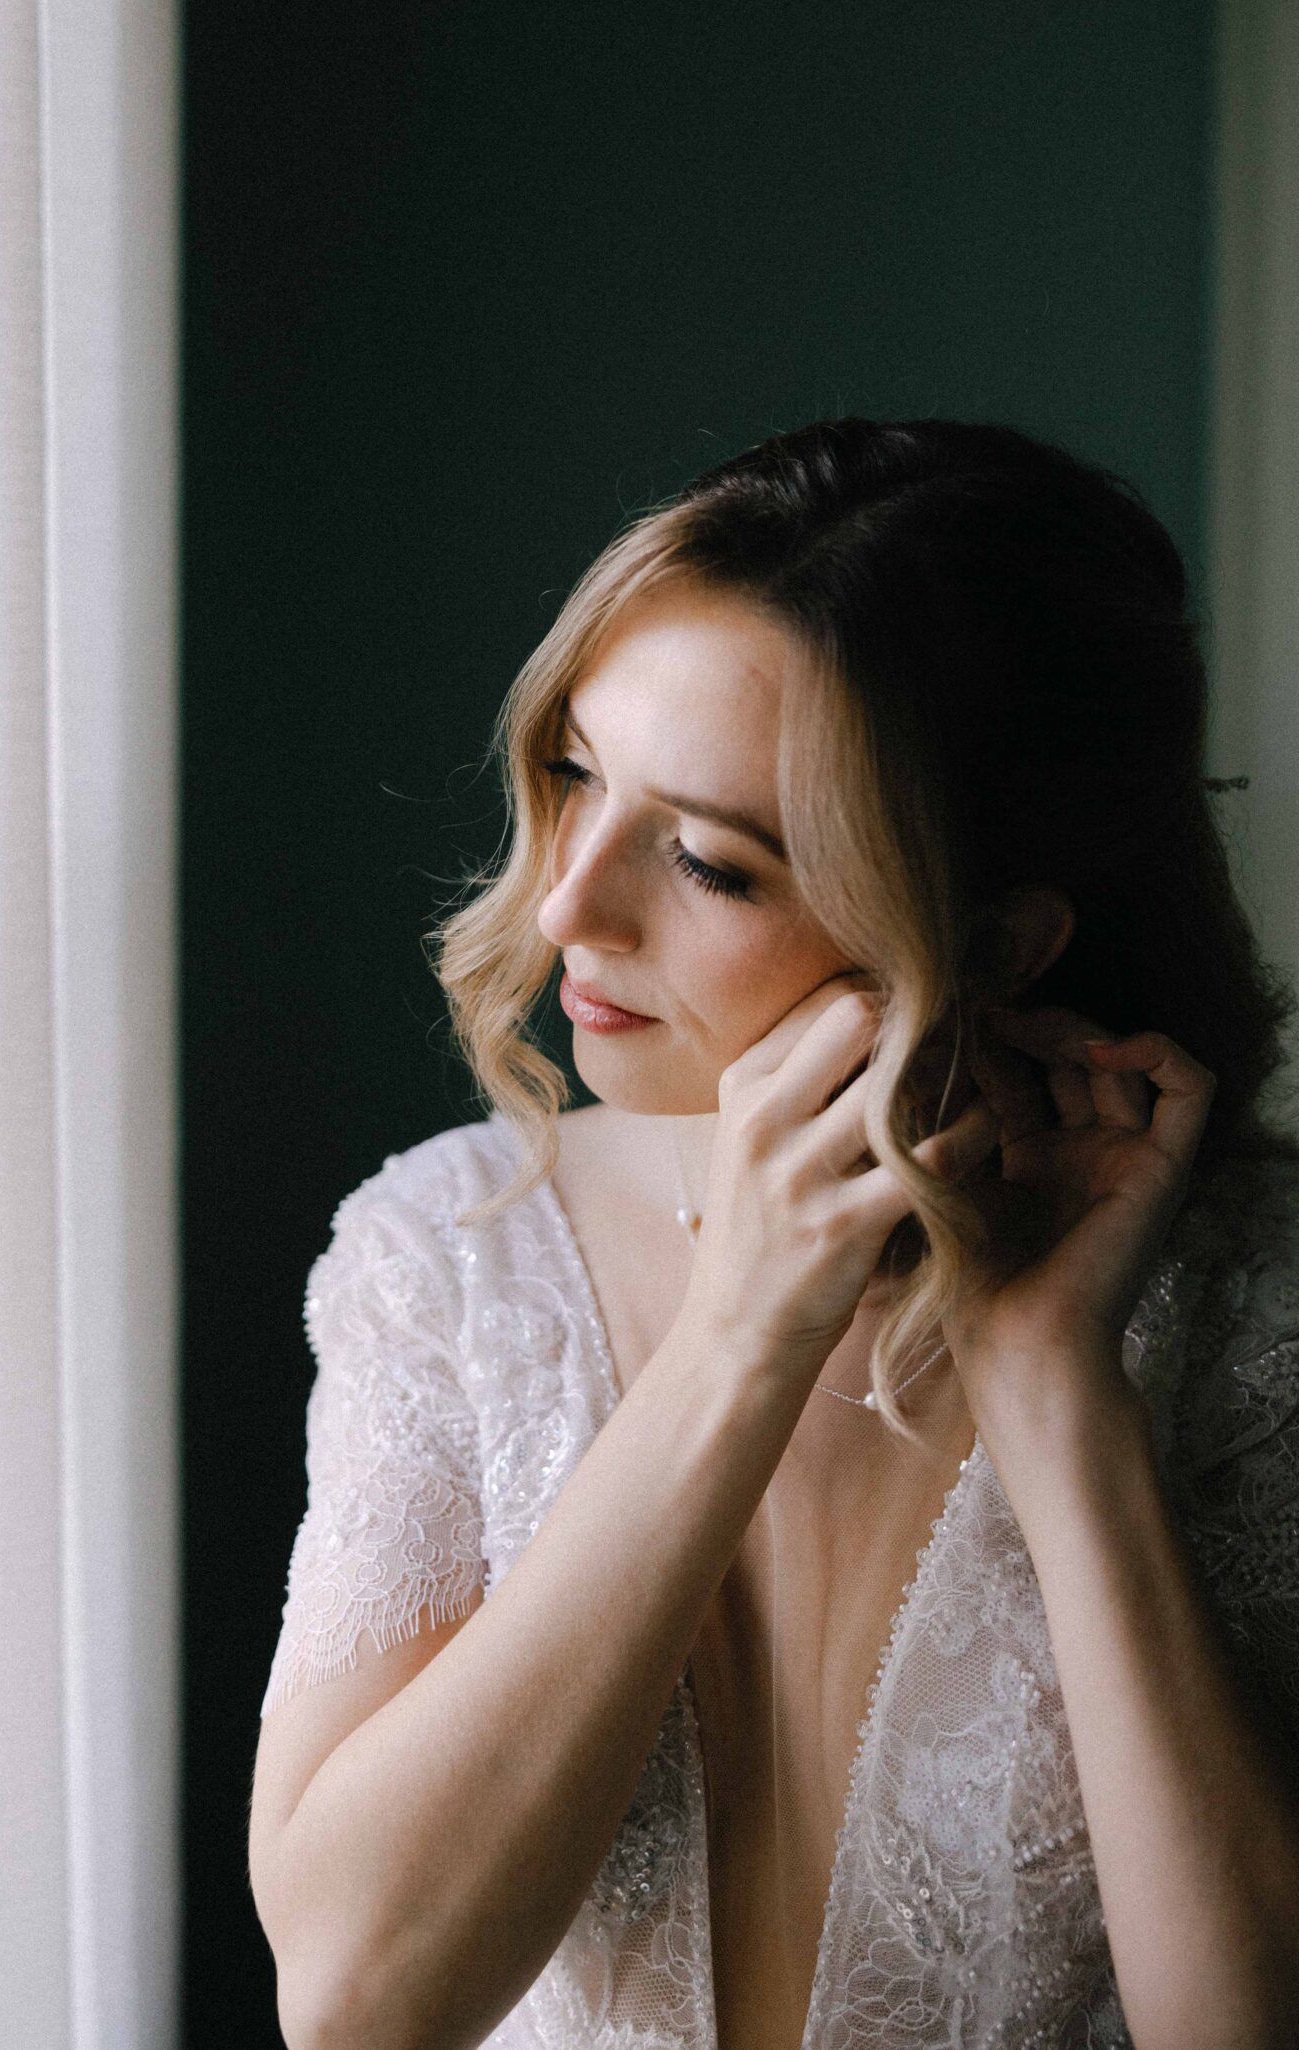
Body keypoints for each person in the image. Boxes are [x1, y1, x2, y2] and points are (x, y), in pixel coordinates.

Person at [245, 419, 1299, 2050]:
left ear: (989, 938)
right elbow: (358, 2000)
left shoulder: (1250, 1297)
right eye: (579, 773)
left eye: (711, 861)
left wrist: (1058, 1399)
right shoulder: (450, 1255)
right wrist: (741, 1333)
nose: (570, 903)